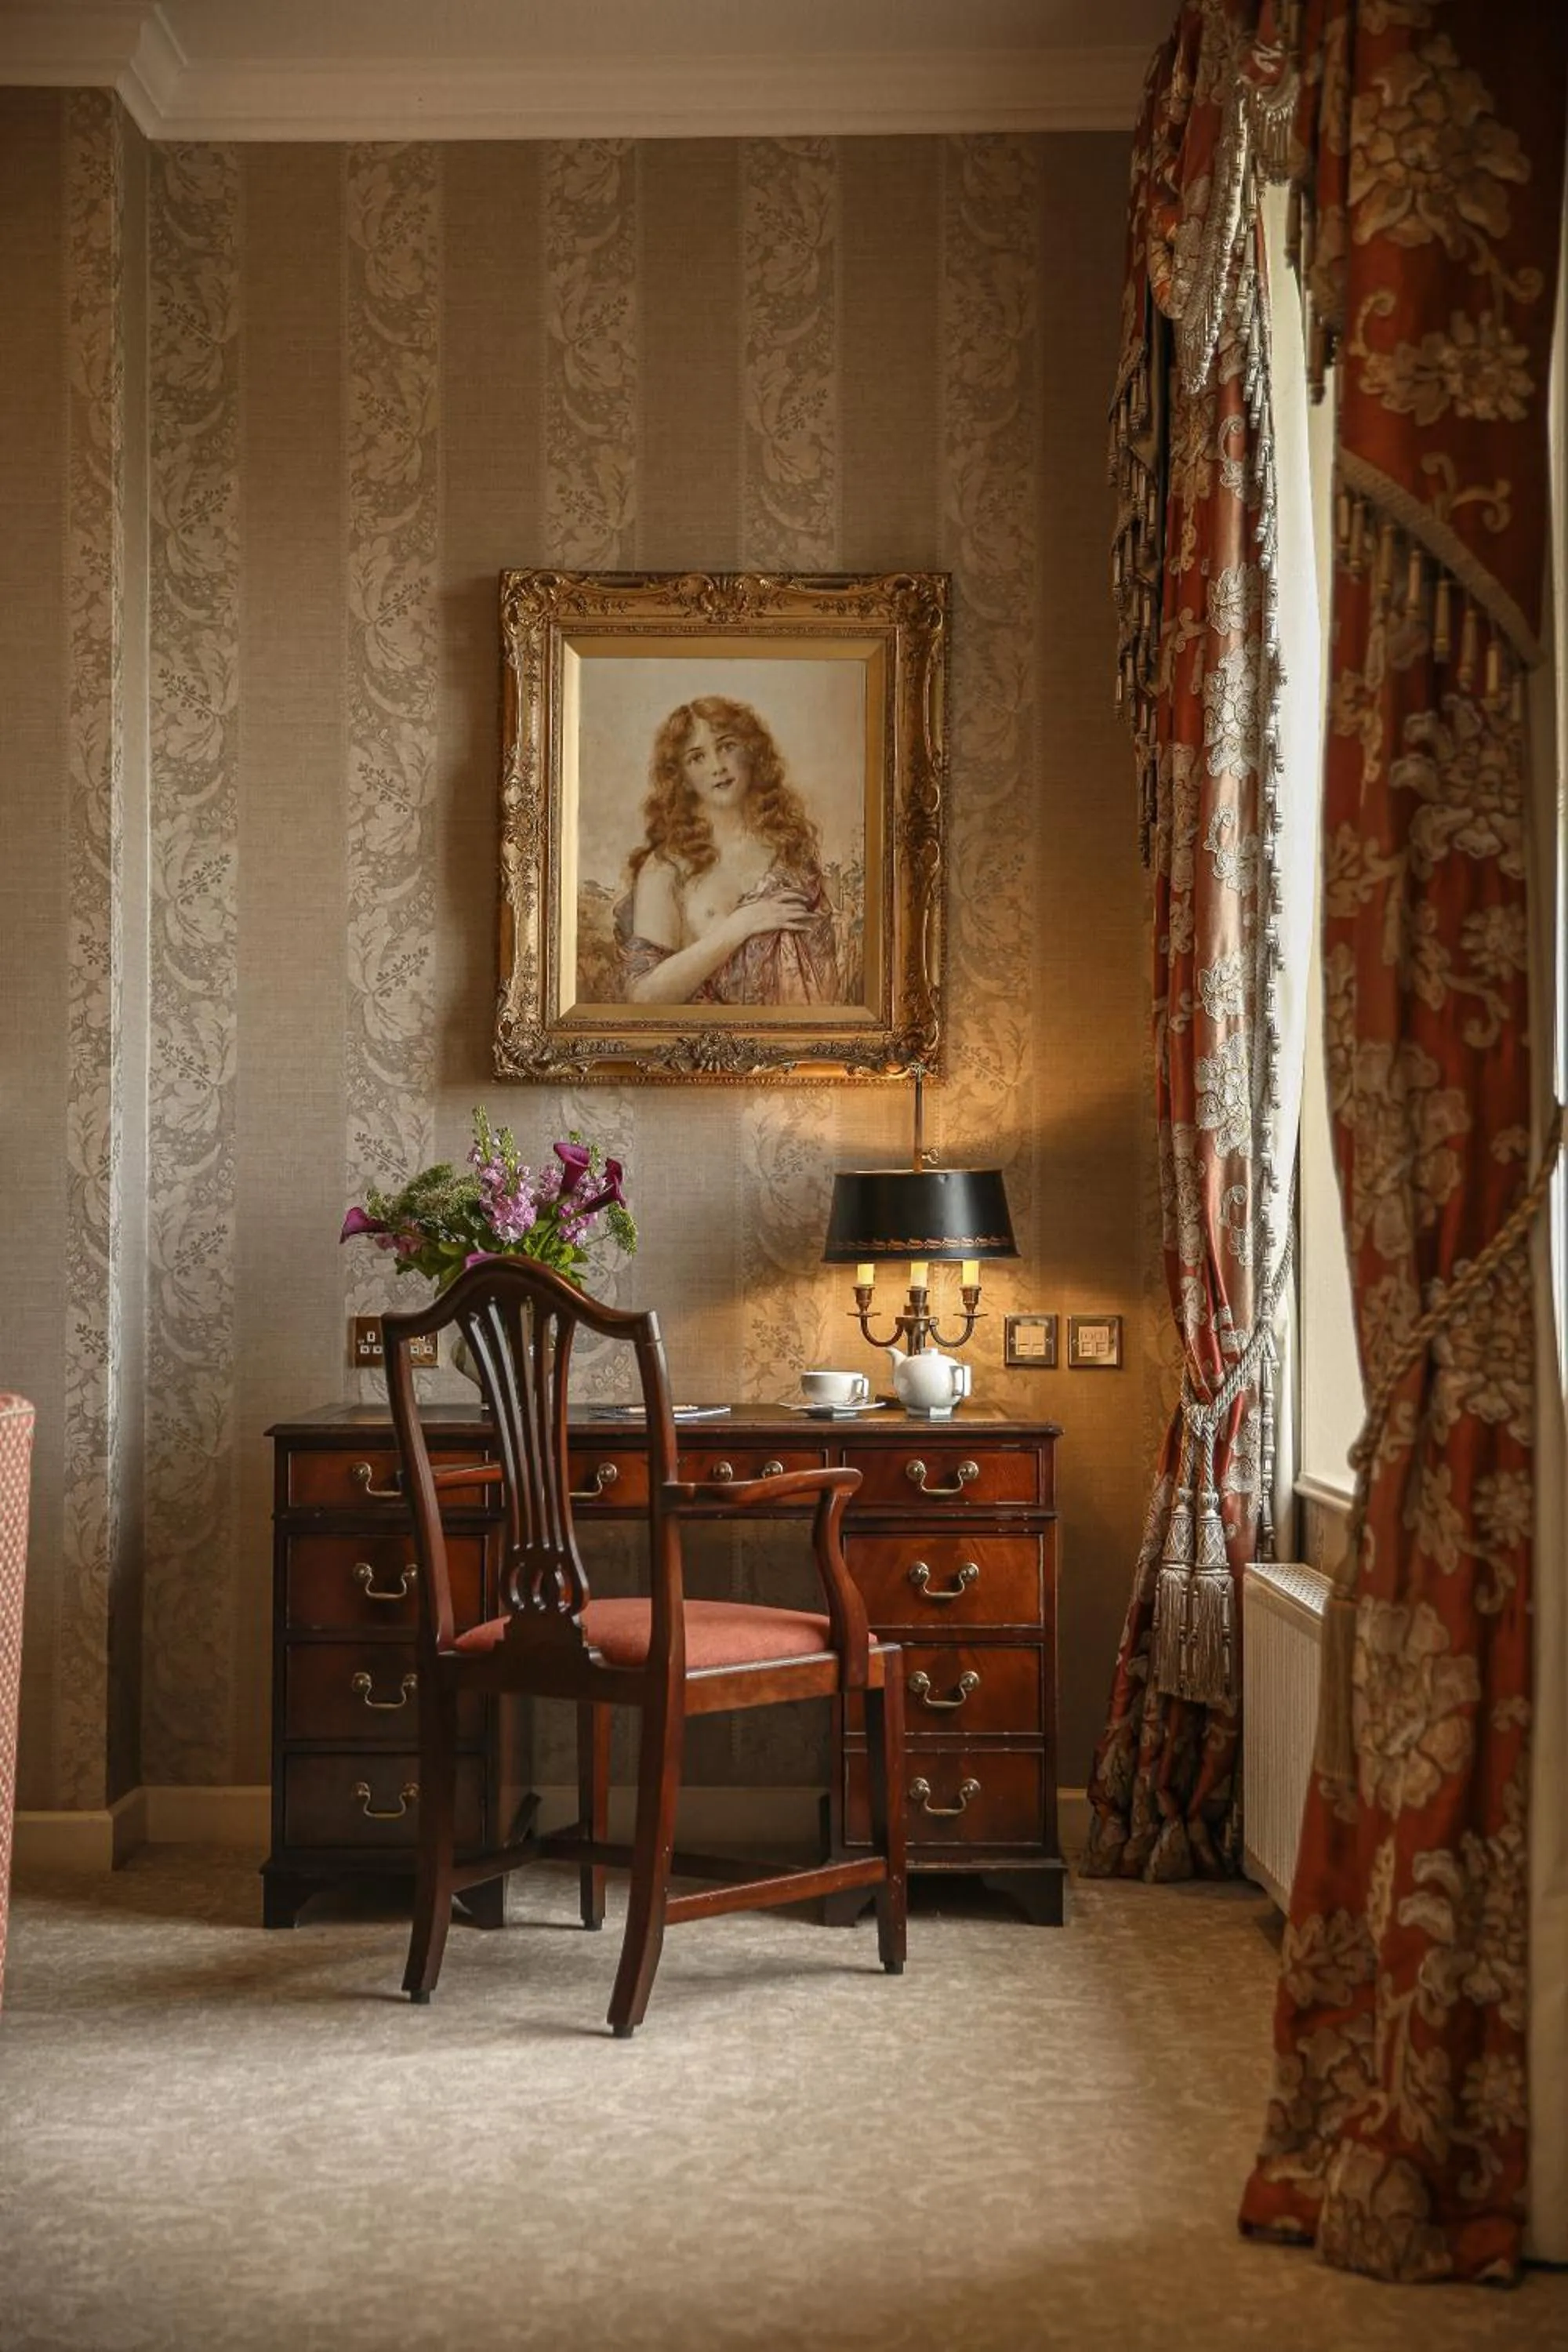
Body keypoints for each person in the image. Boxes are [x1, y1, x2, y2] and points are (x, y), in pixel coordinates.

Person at [616, 695, 842, 1005]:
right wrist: (741, 925)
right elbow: (642, 997)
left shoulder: (789, 848)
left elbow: (823, 970)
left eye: (726, 746)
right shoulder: (666, 867)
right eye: (697, 757)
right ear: (681, 778)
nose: (718, 767)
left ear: (751, 751)